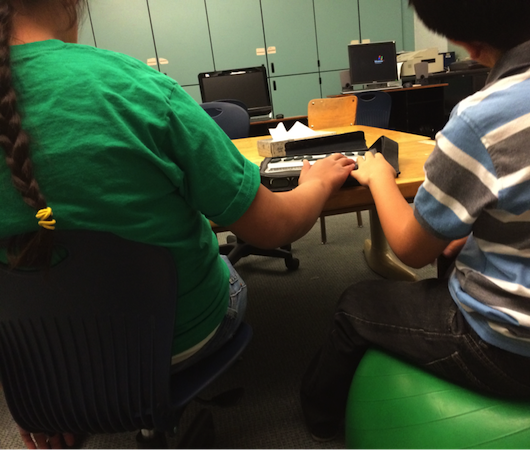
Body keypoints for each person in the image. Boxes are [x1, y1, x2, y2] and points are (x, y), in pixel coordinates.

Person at [0, 1, 356, 448]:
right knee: (227, 274)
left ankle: (81, 397)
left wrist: (34, 386)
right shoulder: (134, 87)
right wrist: (319, 182)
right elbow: (273, 228)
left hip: (42, 361)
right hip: (176, 340)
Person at [300, 0, 530, 442]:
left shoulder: (483, 119)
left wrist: (380, 175)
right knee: (455, 248)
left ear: (468, 46)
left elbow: (409, 249)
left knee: (353, 305)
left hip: (524, 355)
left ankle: (320, 423)